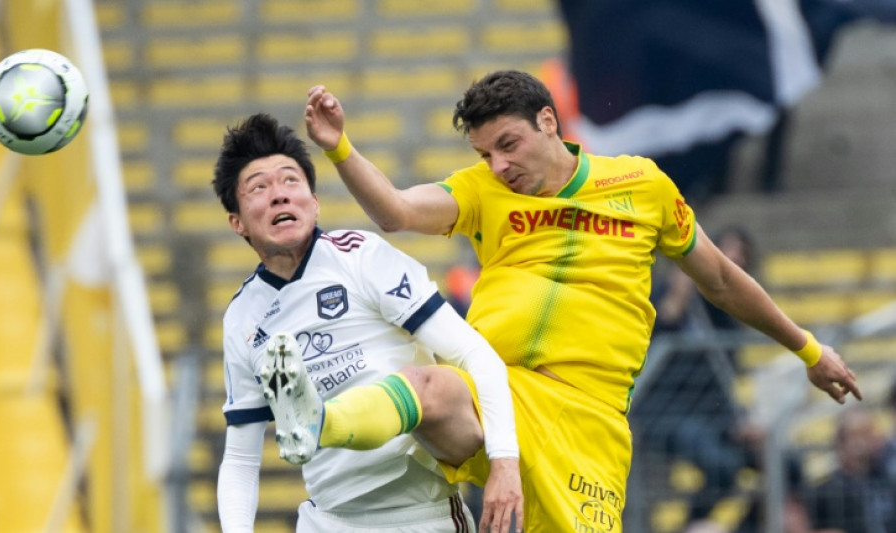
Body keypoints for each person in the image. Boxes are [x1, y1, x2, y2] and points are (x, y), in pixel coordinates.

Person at [301, 69, 863, 532]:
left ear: (548, 121)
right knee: (427, 388)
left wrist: (809, 350)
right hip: (499, 392)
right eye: (485, 153)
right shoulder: (481, 189)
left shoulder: (642, 186)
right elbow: (397, 210)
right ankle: (317, 420)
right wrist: (340, 148)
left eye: (508, 145)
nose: (498, 166)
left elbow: (718, 277)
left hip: (587, 421)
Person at [212, 113, 523, 532]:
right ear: (237, 222)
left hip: (420, 513)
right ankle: (320, 421)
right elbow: (240, 458)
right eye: (259, 188)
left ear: (314, 202)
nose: (279, 195)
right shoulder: (243, 317)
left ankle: (322, 420)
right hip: (328, 520)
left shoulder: (361, 257)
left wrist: (505, 463)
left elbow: (475, 354)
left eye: (290, 181)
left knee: (436, 383)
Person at [634, 226, 765, 523]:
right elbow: (652, 336)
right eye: (726, 255)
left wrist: (740, 420)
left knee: (782, 462)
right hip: (664, 412)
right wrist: (678, 297)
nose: (734, 261)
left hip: (711, 414)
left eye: (740, 259)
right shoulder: (665, 293)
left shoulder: (725, 314)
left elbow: (724, 376)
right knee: (722, 466)